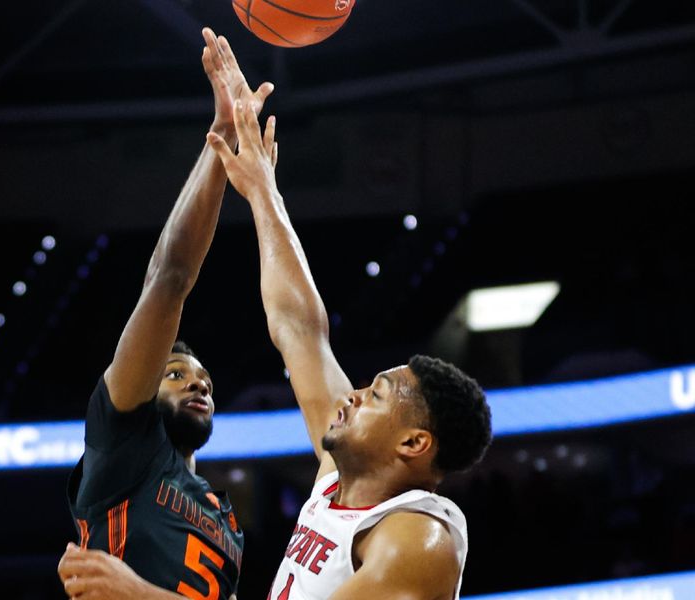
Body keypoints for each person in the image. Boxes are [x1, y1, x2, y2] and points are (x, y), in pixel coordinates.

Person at [205, 100, 493, 599]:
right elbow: (299, 328)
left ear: (412, 443)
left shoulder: (419, 539)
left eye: (376, 395)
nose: (353, 395)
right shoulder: (338, 479)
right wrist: (261, 191)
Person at [57, 28, 274, 600]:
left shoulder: (227, 518)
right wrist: (222, 138)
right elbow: (169, 278)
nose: (198, 382)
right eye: (176, 374)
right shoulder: (125, 445)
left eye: (202, 377)